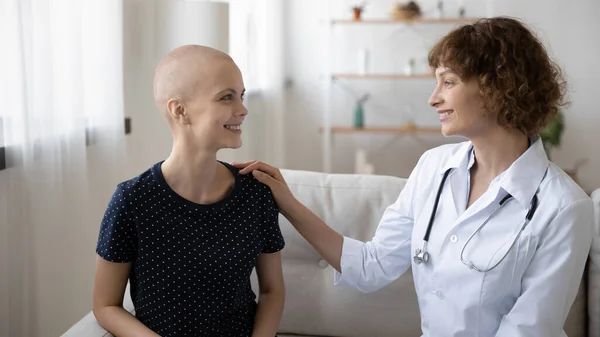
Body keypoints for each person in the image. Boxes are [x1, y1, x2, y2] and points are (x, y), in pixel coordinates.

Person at [233, 17, 594, 337]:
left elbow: (529, 330)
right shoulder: (433, 168)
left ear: (497, 87)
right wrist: (288, 202)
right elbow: (370, 267)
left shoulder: (564, 207)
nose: (433, 99)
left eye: (448, 82)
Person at [92, 45, 285, 337]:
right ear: (180, 110)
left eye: (241, 96)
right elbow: (105, 306)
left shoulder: (256, 193)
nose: (243, 109)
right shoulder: (132, 200)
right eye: (226, 97)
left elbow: (272, 291)